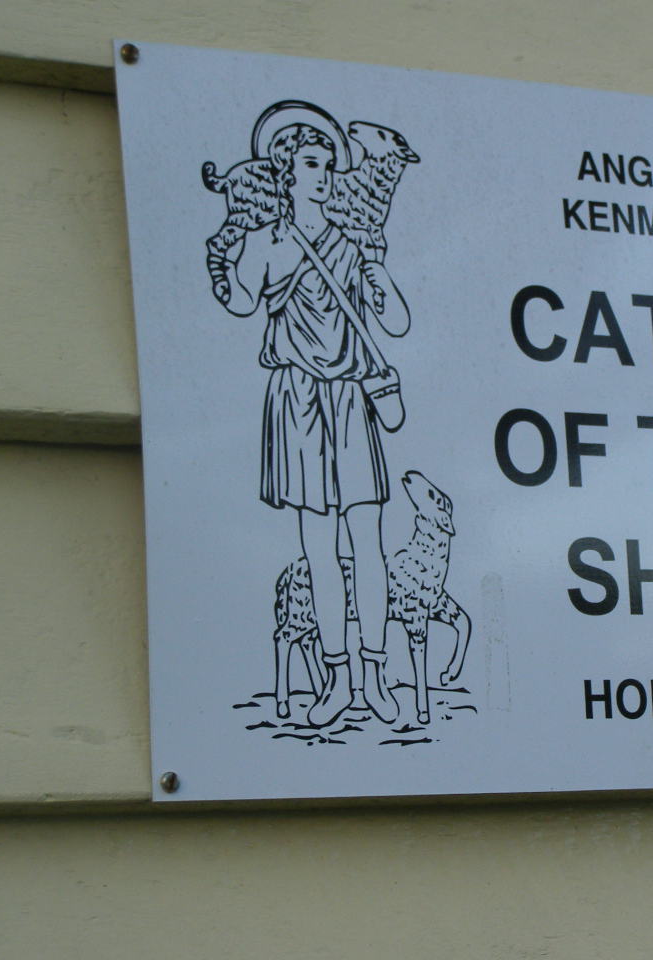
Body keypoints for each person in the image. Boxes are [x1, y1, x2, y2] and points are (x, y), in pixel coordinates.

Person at [209, 119, 410, 728]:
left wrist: (377, 273)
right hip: (296, 401)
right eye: (313, 165)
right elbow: (240, 301)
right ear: (286, 173)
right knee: (319, 550)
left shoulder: (354, 239)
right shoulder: (265, 243)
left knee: (368, 544)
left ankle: (376, 674)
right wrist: (225, 257)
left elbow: (396, 323)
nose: (325, 177)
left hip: (349, 398)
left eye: (329, 164)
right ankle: (336, 678)